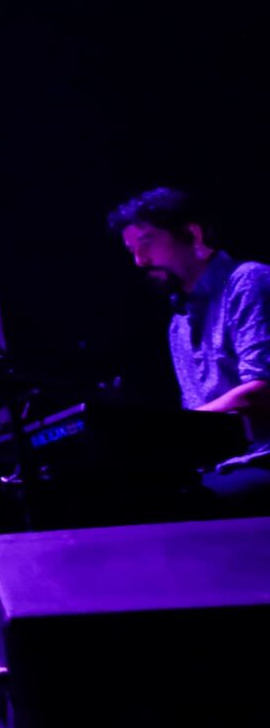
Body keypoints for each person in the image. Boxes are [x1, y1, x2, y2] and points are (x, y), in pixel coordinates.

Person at [110, 187, 270, 516]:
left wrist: (169, 431)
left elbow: (261, 390)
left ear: (193, 234)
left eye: (146, 243)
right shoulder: (178, 323)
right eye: (132, 251)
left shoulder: (248, 281)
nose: (139, 261)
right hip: (223, 468)